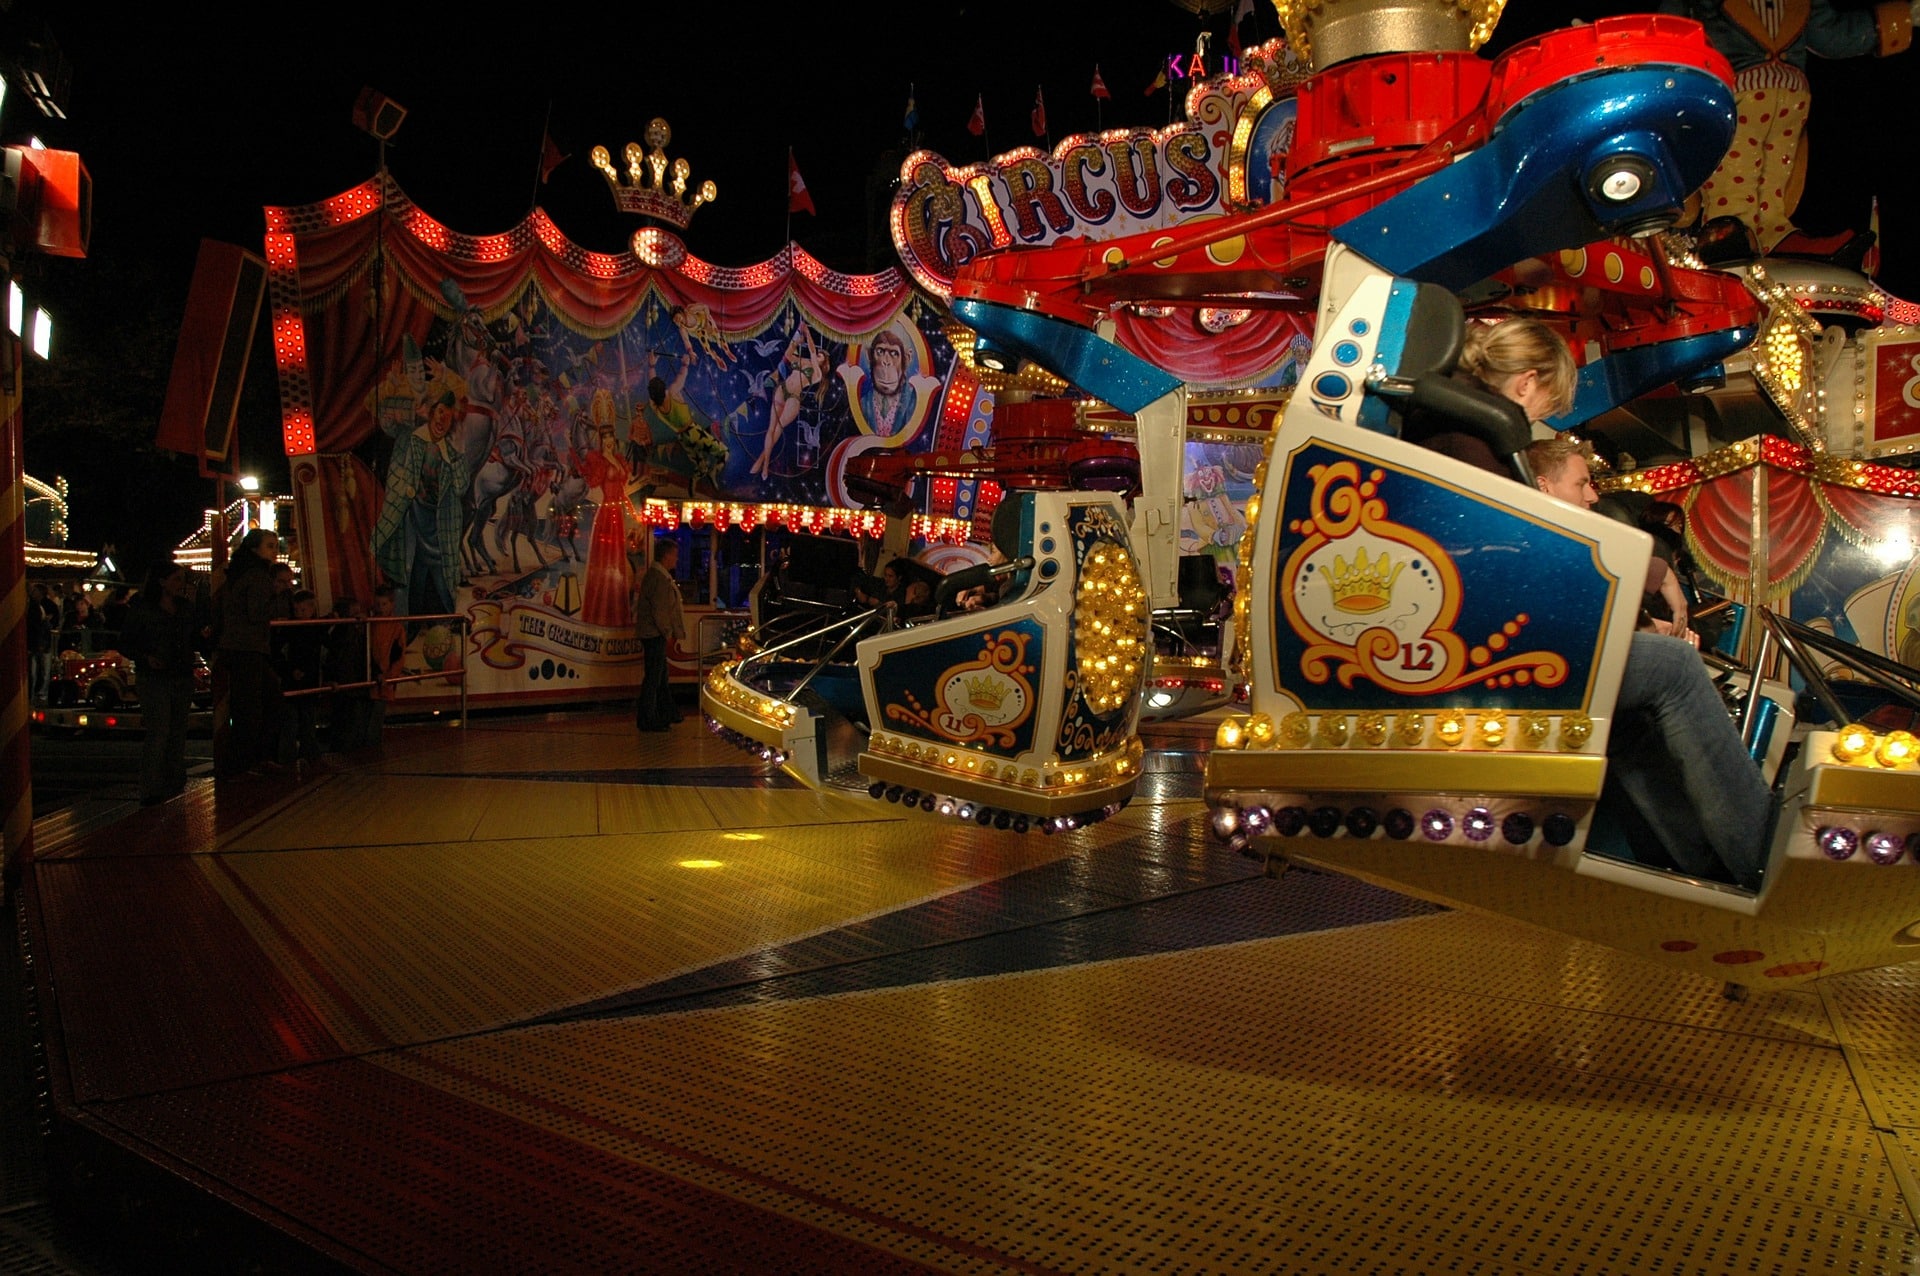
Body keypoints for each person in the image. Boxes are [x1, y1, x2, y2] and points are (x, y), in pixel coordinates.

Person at [1523, 436, 1771, 889]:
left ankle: (1699, 869)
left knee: (1631, 726)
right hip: (1537, 670)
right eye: (1582, 483)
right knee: (1675, 667)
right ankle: (1760, 858)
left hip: (1549, 664)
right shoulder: (1540, 532)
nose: (1593, 495)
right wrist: (1660, 587)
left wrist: (1644, 620)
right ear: (1544, 485)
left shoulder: (1555, 533)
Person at [1418, 316, 1581, 477]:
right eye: (1551, 400)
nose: (1542, 416)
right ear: (1527, 383)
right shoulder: (1485, 449)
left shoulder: (1442, 405)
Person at [372, 389, 471, 617]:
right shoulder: (410, 437)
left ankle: (451, 625)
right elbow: (385, 416)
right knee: (407, 577)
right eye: (439, 412)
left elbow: (460, 486)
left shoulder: (453, 453)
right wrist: (411, 405)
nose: (442, 420)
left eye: (447, 416)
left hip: (438, 529)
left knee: (443, 581)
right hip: (410, 519)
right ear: (431, 413)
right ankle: (404, 631)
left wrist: (456, 456)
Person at [122, 564, 201, 805]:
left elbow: (193, 638)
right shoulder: (143, 608)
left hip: (180, 672)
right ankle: (151, 786)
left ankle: (174, 779)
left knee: (177, 729)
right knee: (159, 730)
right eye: (176, 579)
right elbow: (126, 642)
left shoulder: (185, 608)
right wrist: (146, 656)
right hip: (155, 676)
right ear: (162, 582)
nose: (180, 584)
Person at [214, 528, 283, 779]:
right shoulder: (258, 576)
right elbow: (257, 613)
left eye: (275, 545)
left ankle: (251, 758)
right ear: (256, 549)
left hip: (239, 646)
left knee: (257, 702)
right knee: (254, 706)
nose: (275, 551)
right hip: (248, 647)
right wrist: (278, 601)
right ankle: (246, 761)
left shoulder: (240, 573)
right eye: (270, 546)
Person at [754, 324, 827, 478]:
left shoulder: (817, 373)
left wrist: (807, 334)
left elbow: (813, 352)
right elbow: (787, 356)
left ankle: (762, 463)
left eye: (821, 356)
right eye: (819, 354)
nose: (817, 355)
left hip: (794, 397)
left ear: (822, 362)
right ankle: (764, 463)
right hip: (782, 390)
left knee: (778, 429)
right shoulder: (802, 362)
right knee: (771, 428)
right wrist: (796, 343)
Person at [634, 538, 687, 732]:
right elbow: (660, 611)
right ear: (666, 556)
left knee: (659, 676)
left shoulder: (657, 576)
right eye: (674, 555)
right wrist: (667, 632)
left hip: (652, 633)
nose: (677, 559)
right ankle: (648, 718)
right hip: (655, 634)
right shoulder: (660, 579)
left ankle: (666, 712)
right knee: (654, 678)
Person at [273, 589, 327, 771]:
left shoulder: (299, 628)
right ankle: (302, 755)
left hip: (302, 678)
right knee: (297, 719)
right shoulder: (302, 628)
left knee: (304, 718)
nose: (299, 614)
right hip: (300, 678)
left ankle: (298, 755)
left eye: (302, 610)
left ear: (311, 609)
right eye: (297, 610)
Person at [855, 328, 919, 439]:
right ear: (869, 355)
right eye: (880, 352)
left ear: (907, 358)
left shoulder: (914, 402)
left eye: (894, 353)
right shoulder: (863, 403)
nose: (886, 362)